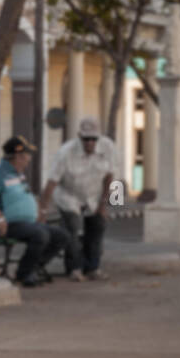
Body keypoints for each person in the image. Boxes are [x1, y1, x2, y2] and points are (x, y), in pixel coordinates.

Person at [0, 136, 73, 287]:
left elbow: (25, 196)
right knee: (40, 235)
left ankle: (34, 267)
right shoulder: (0, 174)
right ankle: (24, 274)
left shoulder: (18, 174)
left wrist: (40, 211)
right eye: (25, 156)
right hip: (10, 224)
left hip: (28, 223)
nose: (28, 160)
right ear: (16, 156)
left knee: (62, 236)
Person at [39, 116, 116, 280]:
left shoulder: (108, 147)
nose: (90, 143)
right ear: (80, 137)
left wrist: (104, 205)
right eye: (86, 139)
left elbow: (110, 177)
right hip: (69, 195)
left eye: (93, 139)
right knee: (73, 228)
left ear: (98, 138)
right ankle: (75, 268)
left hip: (93, 196)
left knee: (98, 225)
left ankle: (92, 267)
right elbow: (51, 183)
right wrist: (43, 210)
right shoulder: (65, 152)